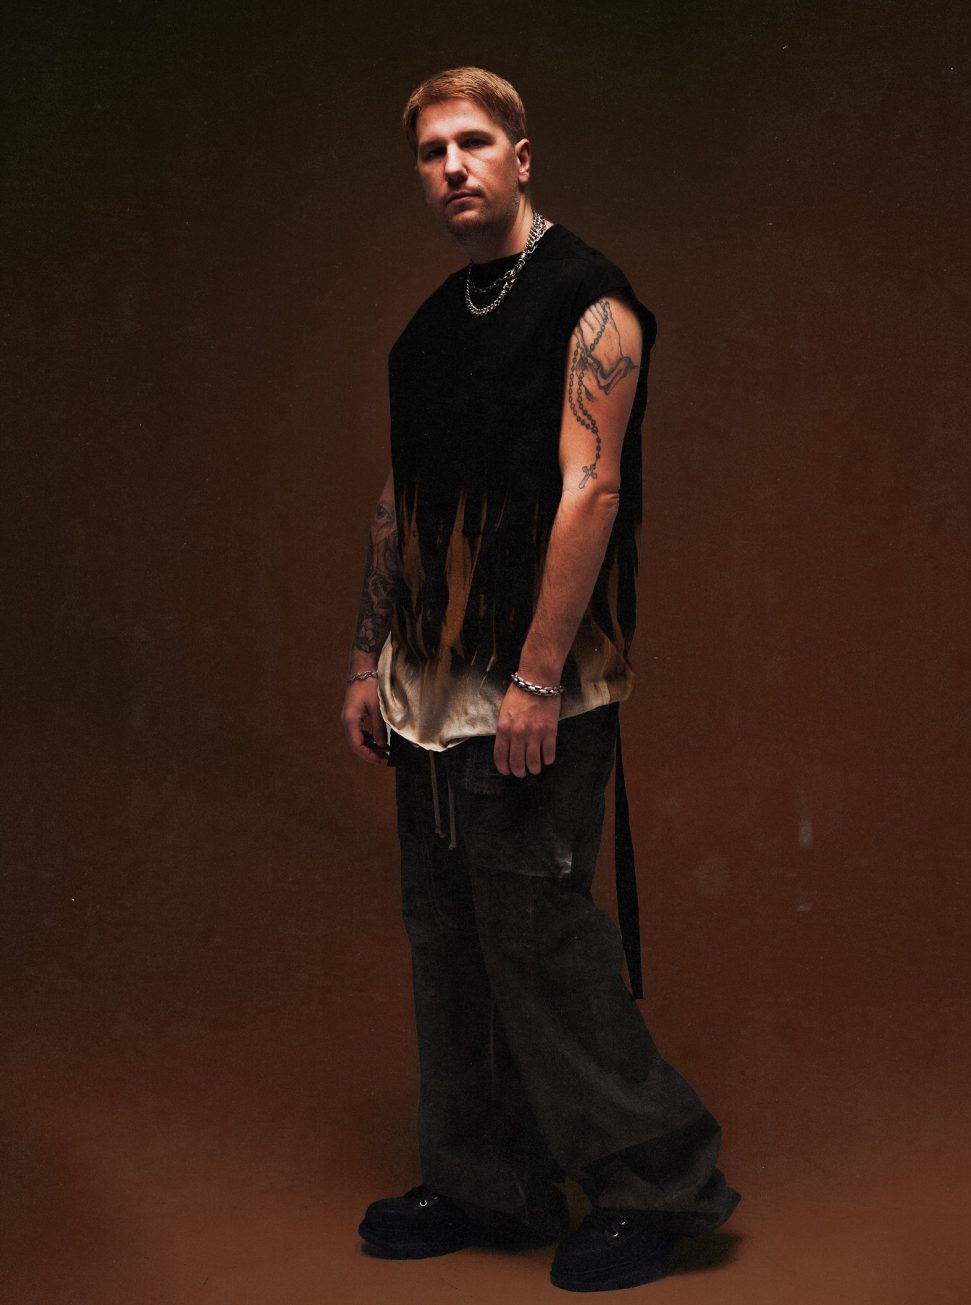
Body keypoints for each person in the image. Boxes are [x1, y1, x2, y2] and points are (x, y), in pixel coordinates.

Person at [341, 66, 740, 1293]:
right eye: (430, 152)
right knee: (447, 938)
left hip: (531, 687)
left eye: (473, 142)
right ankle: (487, 1179)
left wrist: (536, 677)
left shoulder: (590, 301)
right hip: (425, 690)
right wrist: (365, 659)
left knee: (540, 936)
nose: (451, 167)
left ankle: (658, 1185)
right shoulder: (425, 332)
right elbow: (401, 501)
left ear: (521, 157)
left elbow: (592, 488)